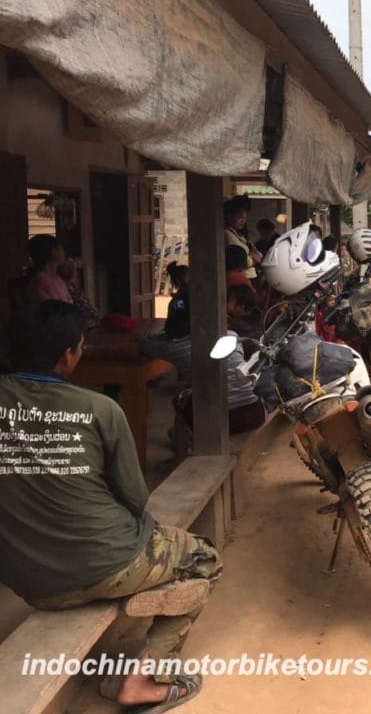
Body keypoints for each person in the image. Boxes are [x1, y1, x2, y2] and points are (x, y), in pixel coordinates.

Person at [0, 301, 221, 710]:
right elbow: (135, 498)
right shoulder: (99, 409)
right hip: (106, 563)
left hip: (26, 580)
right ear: (69, 354)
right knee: (204, 559)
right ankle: (146, 676)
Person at [25, 234, 72, 305]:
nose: (64, 253)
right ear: (53, 251)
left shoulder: (58, 279)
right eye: (61, 249)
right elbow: (52, 311)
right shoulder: (40, 282)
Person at [223, 195, 259, 279]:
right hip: (241, 278)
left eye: (245, 217)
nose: (243, 221)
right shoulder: (227, 234)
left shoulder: (241, 235)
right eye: (239, 217)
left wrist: (253, 256)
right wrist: (252, 260)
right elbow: (240, 261)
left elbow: (257, 253)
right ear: (230, 216)